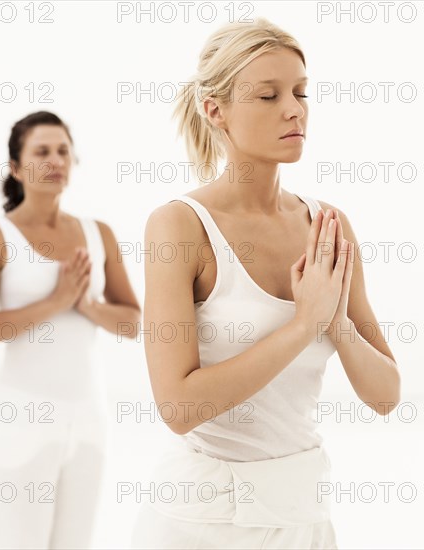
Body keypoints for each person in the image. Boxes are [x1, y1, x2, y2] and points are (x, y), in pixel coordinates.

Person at [131, 18, 400, 549]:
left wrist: (335, 322)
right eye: (268, 95)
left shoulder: (329, 226)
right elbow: (178, 408)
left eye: (301, 92)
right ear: (216, 110)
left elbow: (387, 395)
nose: (294, 108)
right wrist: (303, 326)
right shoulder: (180, 225)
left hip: (304, 516)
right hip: (201, 523)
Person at [0, 111, 141, 549]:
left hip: (89, 423)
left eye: (63, 150)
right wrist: (54, 303)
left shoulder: (100, 235)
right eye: (41, 151)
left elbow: (134, 322)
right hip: (20, 423)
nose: (56, 159)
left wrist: (86, 305)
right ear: (17, 168)